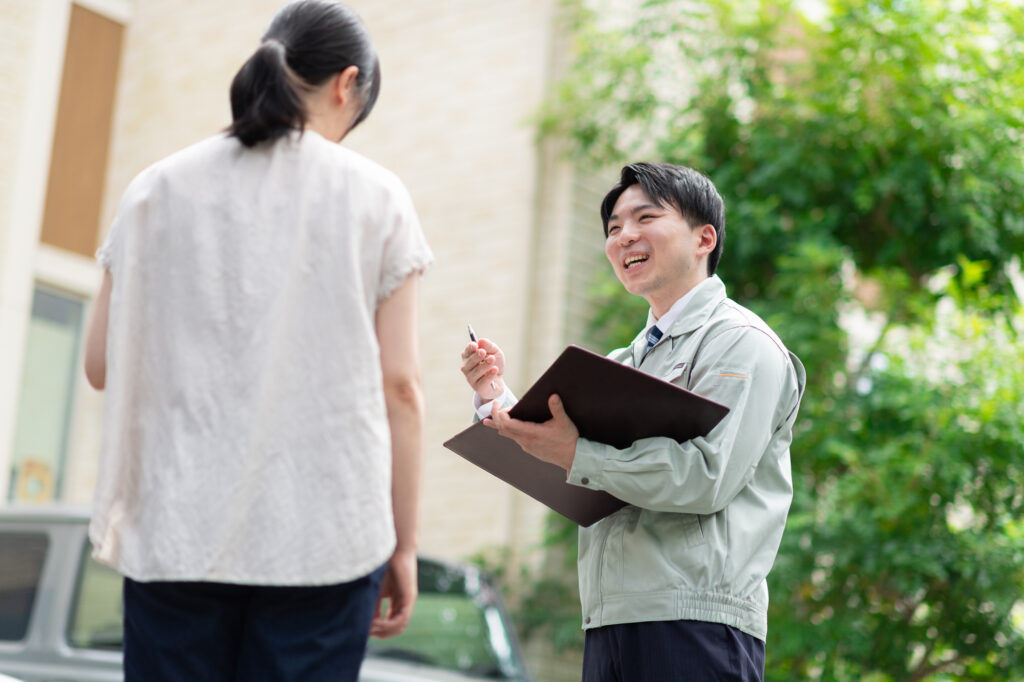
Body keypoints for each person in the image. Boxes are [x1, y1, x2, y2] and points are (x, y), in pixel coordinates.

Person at [82, 2, 432, 681]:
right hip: (324, 537)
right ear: (346, 86)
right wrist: (406, 543)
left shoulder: (155, 187)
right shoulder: (377, 196)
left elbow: (100, 364)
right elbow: (401, 390)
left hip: (175, 530)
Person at [460, 162, 805, 681]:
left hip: (696, 623)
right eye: (614, 227)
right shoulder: (623, 362)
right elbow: (576, 469)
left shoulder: (742, 343)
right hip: (610, 620)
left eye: (645, 217)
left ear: (703, 238)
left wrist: (579, 454)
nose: (625, 236)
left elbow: (706, 478)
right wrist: (495, 399)